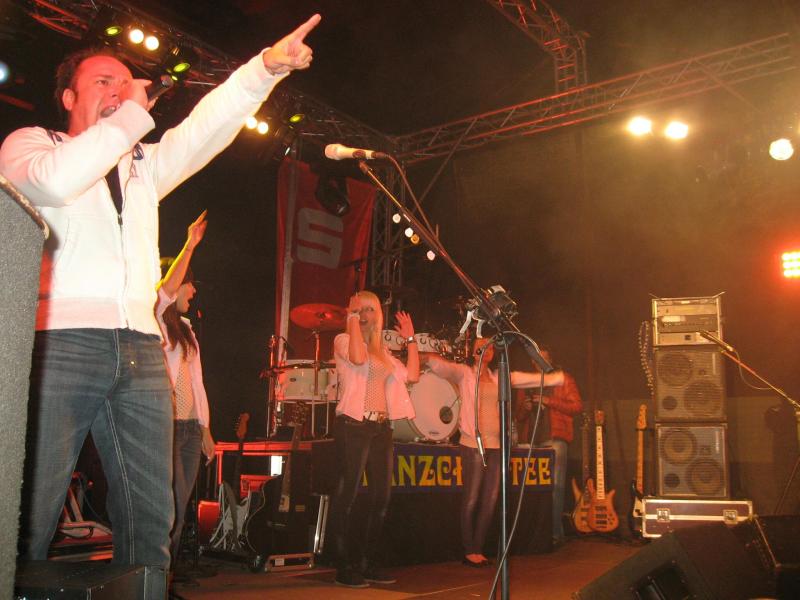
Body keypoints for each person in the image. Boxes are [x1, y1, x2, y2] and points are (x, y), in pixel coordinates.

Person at [0, 14, 320, 592]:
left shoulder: (142, 166)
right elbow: (52, 185)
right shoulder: (32, 145)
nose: (119, 92)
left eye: (126, 84)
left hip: (142, 350)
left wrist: (263, 69)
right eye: (104, 82)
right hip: (61, 344)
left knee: (153, 514)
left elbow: (205, 129)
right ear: (68, 96)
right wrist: (129, 117)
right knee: (29, 508)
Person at [423, 337, 564, 567]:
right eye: (480, 348)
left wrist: (553, 378)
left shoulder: (499, 377)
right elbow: (442, 367)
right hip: (473, 445)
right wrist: (425, 356)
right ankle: (469, 549)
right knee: (472, 498)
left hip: (497, 446)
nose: (486, 350)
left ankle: (477, 549)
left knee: (490, 500)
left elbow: (522, 379)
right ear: (473, 352)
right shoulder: (465, 374)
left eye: (489, 347)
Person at [330, 291, 419, 588]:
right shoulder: (344, 340)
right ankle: (344, 565)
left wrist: (410, 339)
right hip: (353, 425)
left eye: (370, 309)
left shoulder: (384, 353)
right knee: (348, 495)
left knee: (381, 498)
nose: (365, 314)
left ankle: (366, 562)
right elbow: (357, 358)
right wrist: (352, 319)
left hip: (380, 428)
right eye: (361, 309)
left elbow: (413, 375)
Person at [155, 211, 215, 571]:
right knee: (169, 508)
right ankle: (152, 581)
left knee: (180, 510)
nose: (193, 290)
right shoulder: (154, 320)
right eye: (189, 284)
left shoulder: (188, 330)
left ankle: (166, 577)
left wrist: (205, 428)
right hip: (167, 427)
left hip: (191, 429)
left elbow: (198, 383)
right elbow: (163, 292)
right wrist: (189, 245)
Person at [514, 347, 582, 547]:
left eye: (543, 359)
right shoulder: (527, 382)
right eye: (536, 360)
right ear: (532, 362)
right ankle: (537, 534)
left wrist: (548, 400)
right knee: (533, 490)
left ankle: (554, 534)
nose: (539, 363)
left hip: (555, 439)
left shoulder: (563, 379)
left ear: (550, 360)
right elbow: (518, 416)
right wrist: (525, 408)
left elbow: (577, 406)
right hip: (532, 442)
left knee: (556, 487)